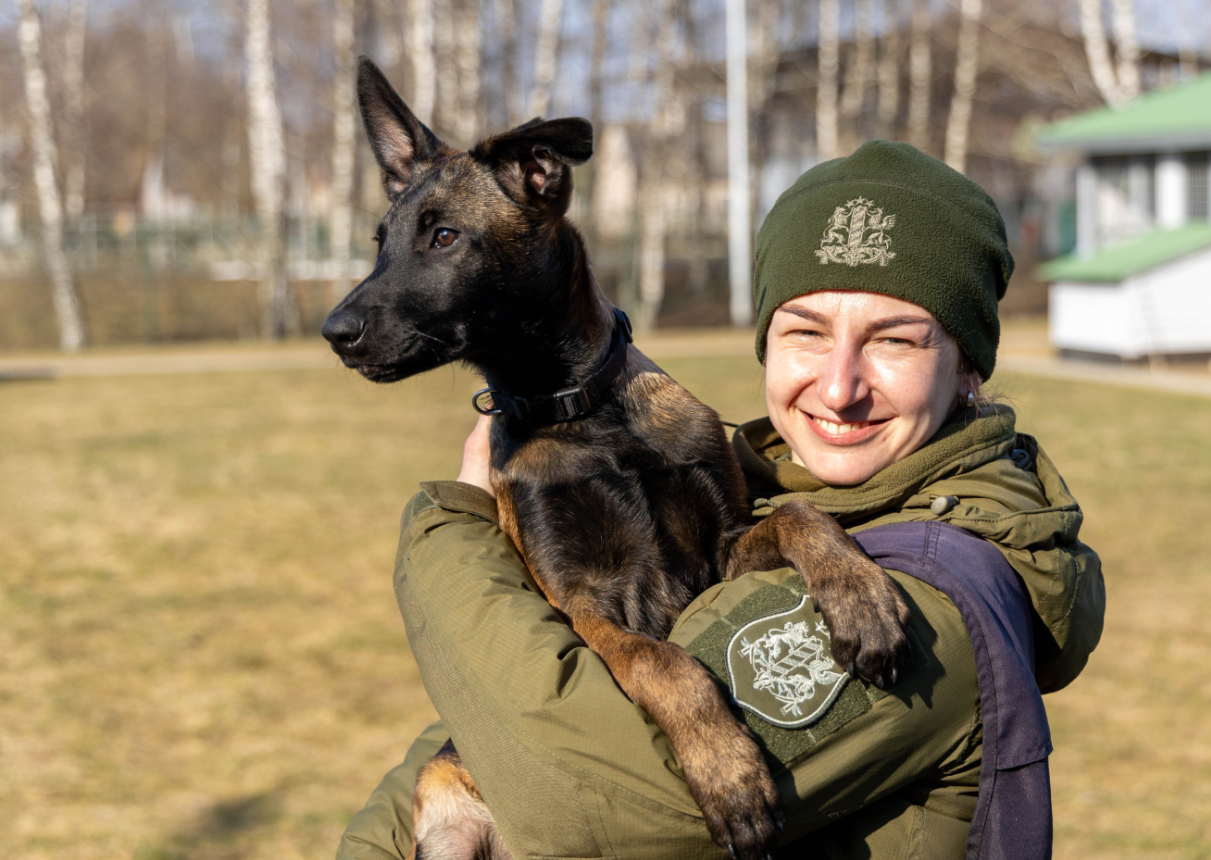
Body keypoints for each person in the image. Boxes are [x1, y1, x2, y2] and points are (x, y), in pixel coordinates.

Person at [336, 141, 1104, 860]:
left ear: (968, 366)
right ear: (766, 342)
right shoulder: (781, 489)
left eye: (896, 340)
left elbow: (587, 797)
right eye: (805, 331)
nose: (840, 387)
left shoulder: (938, 597)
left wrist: (454, 530)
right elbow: (490, 701)